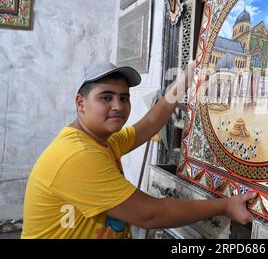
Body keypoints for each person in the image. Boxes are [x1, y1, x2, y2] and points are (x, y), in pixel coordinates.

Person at [22, 61, 255, 239]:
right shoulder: (77, 155)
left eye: (124, 98)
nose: (118, 106)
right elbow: (150, 214)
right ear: (80, 103)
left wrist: (184, 81)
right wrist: (225, 206)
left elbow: (149, 124)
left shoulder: (103, 140)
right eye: (106, 97)